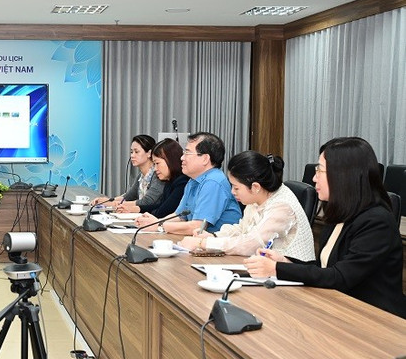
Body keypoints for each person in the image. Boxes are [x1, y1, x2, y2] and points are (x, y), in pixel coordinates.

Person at [245, 137, 404, 318]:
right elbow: (325, 267)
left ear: (343, 175)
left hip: (375, 318)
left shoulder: (376, 221)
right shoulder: (338, 212)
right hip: (338, 307)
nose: (313, 178)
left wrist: (276, 269)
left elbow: (340, 277)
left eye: (319, 170)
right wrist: (285, 262)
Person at [179, 151, 315, 260]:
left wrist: (203, 244)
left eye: (236, 188)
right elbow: (243, 229)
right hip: (265, 269)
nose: (232, 192)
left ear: (255, 187)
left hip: (292, 279)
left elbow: (252, 244)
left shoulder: (282, 206)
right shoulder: (258, 196)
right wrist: (213, 237)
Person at [140, 132, 241, 235]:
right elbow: (179, 216)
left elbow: (198, 226)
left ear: (205, 159)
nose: (182, 158)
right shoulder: (193, 181)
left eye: (187, 153)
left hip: (219, 246)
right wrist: (155, 223)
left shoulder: (213, 181)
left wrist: (159, 225)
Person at [93, 135, 165, 213]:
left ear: (149, 153)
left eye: (136, 152)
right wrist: (107, 201)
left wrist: (114, 204)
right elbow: (128, 197)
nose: (132, 155)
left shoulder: (158, 175)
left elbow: (147, 202)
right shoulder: (141, 176)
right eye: (131, 152)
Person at [130, 138, 189, 220]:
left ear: (170, 160)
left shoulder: (182, 182)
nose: (155, 169)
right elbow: (161, 205)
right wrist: (139, 209)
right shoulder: (169, 181)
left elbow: (164, 211)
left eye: (157, 163)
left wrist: (144, 214)